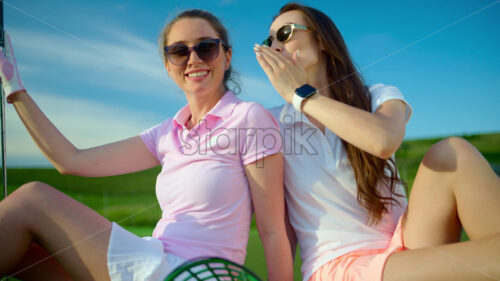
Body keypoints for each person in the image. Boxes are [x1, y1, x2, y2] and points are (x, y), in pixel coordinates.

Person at [0, 9, 294, 281]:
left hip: (196, 273)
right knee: (25, 255)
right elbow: (70, 160)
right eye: (179, 51)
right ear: (168, 66)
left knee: (33, 199)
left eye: (206, 47)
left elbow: (272, 231)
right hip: (156, 260)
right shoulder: (166, 133)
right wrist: (16, 90)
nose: (193, 59)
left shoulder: (249, 117)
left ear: (227, 56)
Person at [253, 3, 500, 281]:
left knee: (453, 152)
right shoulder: (269, 123)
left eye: (285, 33)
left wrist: (302, 96)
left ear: (321, 40)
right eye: (269, 40)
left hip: (406, 245)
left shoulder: (379, 96)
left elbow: (383, 140)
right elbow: (278, 226)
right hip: (340, 265)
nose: (274, 45)